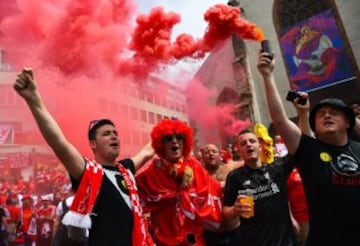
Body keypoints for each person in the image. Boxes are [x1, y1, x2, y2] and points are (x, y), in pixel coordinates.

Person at [13, 68, 154, 246]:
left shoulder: (126, 168)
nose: (114, 136)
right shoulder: (88, 170)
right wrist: (34, 101)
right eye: (106, 134)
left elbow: (149, 150)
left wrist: (171, 129)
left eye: (115, 133)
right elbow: (59, 143)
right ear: (93, 144)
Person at [257, 48, 360, 245]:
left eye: (334, 112)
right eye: (321, 114)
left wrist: (351, 113)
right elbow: (279, 119)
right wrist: (267, 75)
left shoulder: (357, 149)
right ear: (315, 128)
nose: (327, 115)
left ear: (348, 122)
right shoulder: (310, 151)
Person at [136, 119, 223, 245]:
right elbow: (129, 186)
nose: (175, 141)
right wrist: (143, 156)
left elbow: (212, 191)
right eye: (168, 138)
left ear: (184, 142)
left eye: (179, 137)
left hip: (194, 241)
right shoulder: (154, 171)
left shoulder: (194, 166)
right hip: (165, 241)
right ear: (161, 144)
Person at [222, 129, 298, 246]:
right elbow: (226, 212)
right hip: (255, 241)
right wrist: (234, 210)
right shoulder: (234, 177)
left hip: (286, 241)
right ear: (239, 151)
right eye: (243, 143)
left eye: (252, 141)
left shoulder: (277, 168)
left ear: (259, 146)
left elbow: (297, 148)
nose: (248, 144)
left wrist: (303, 114)